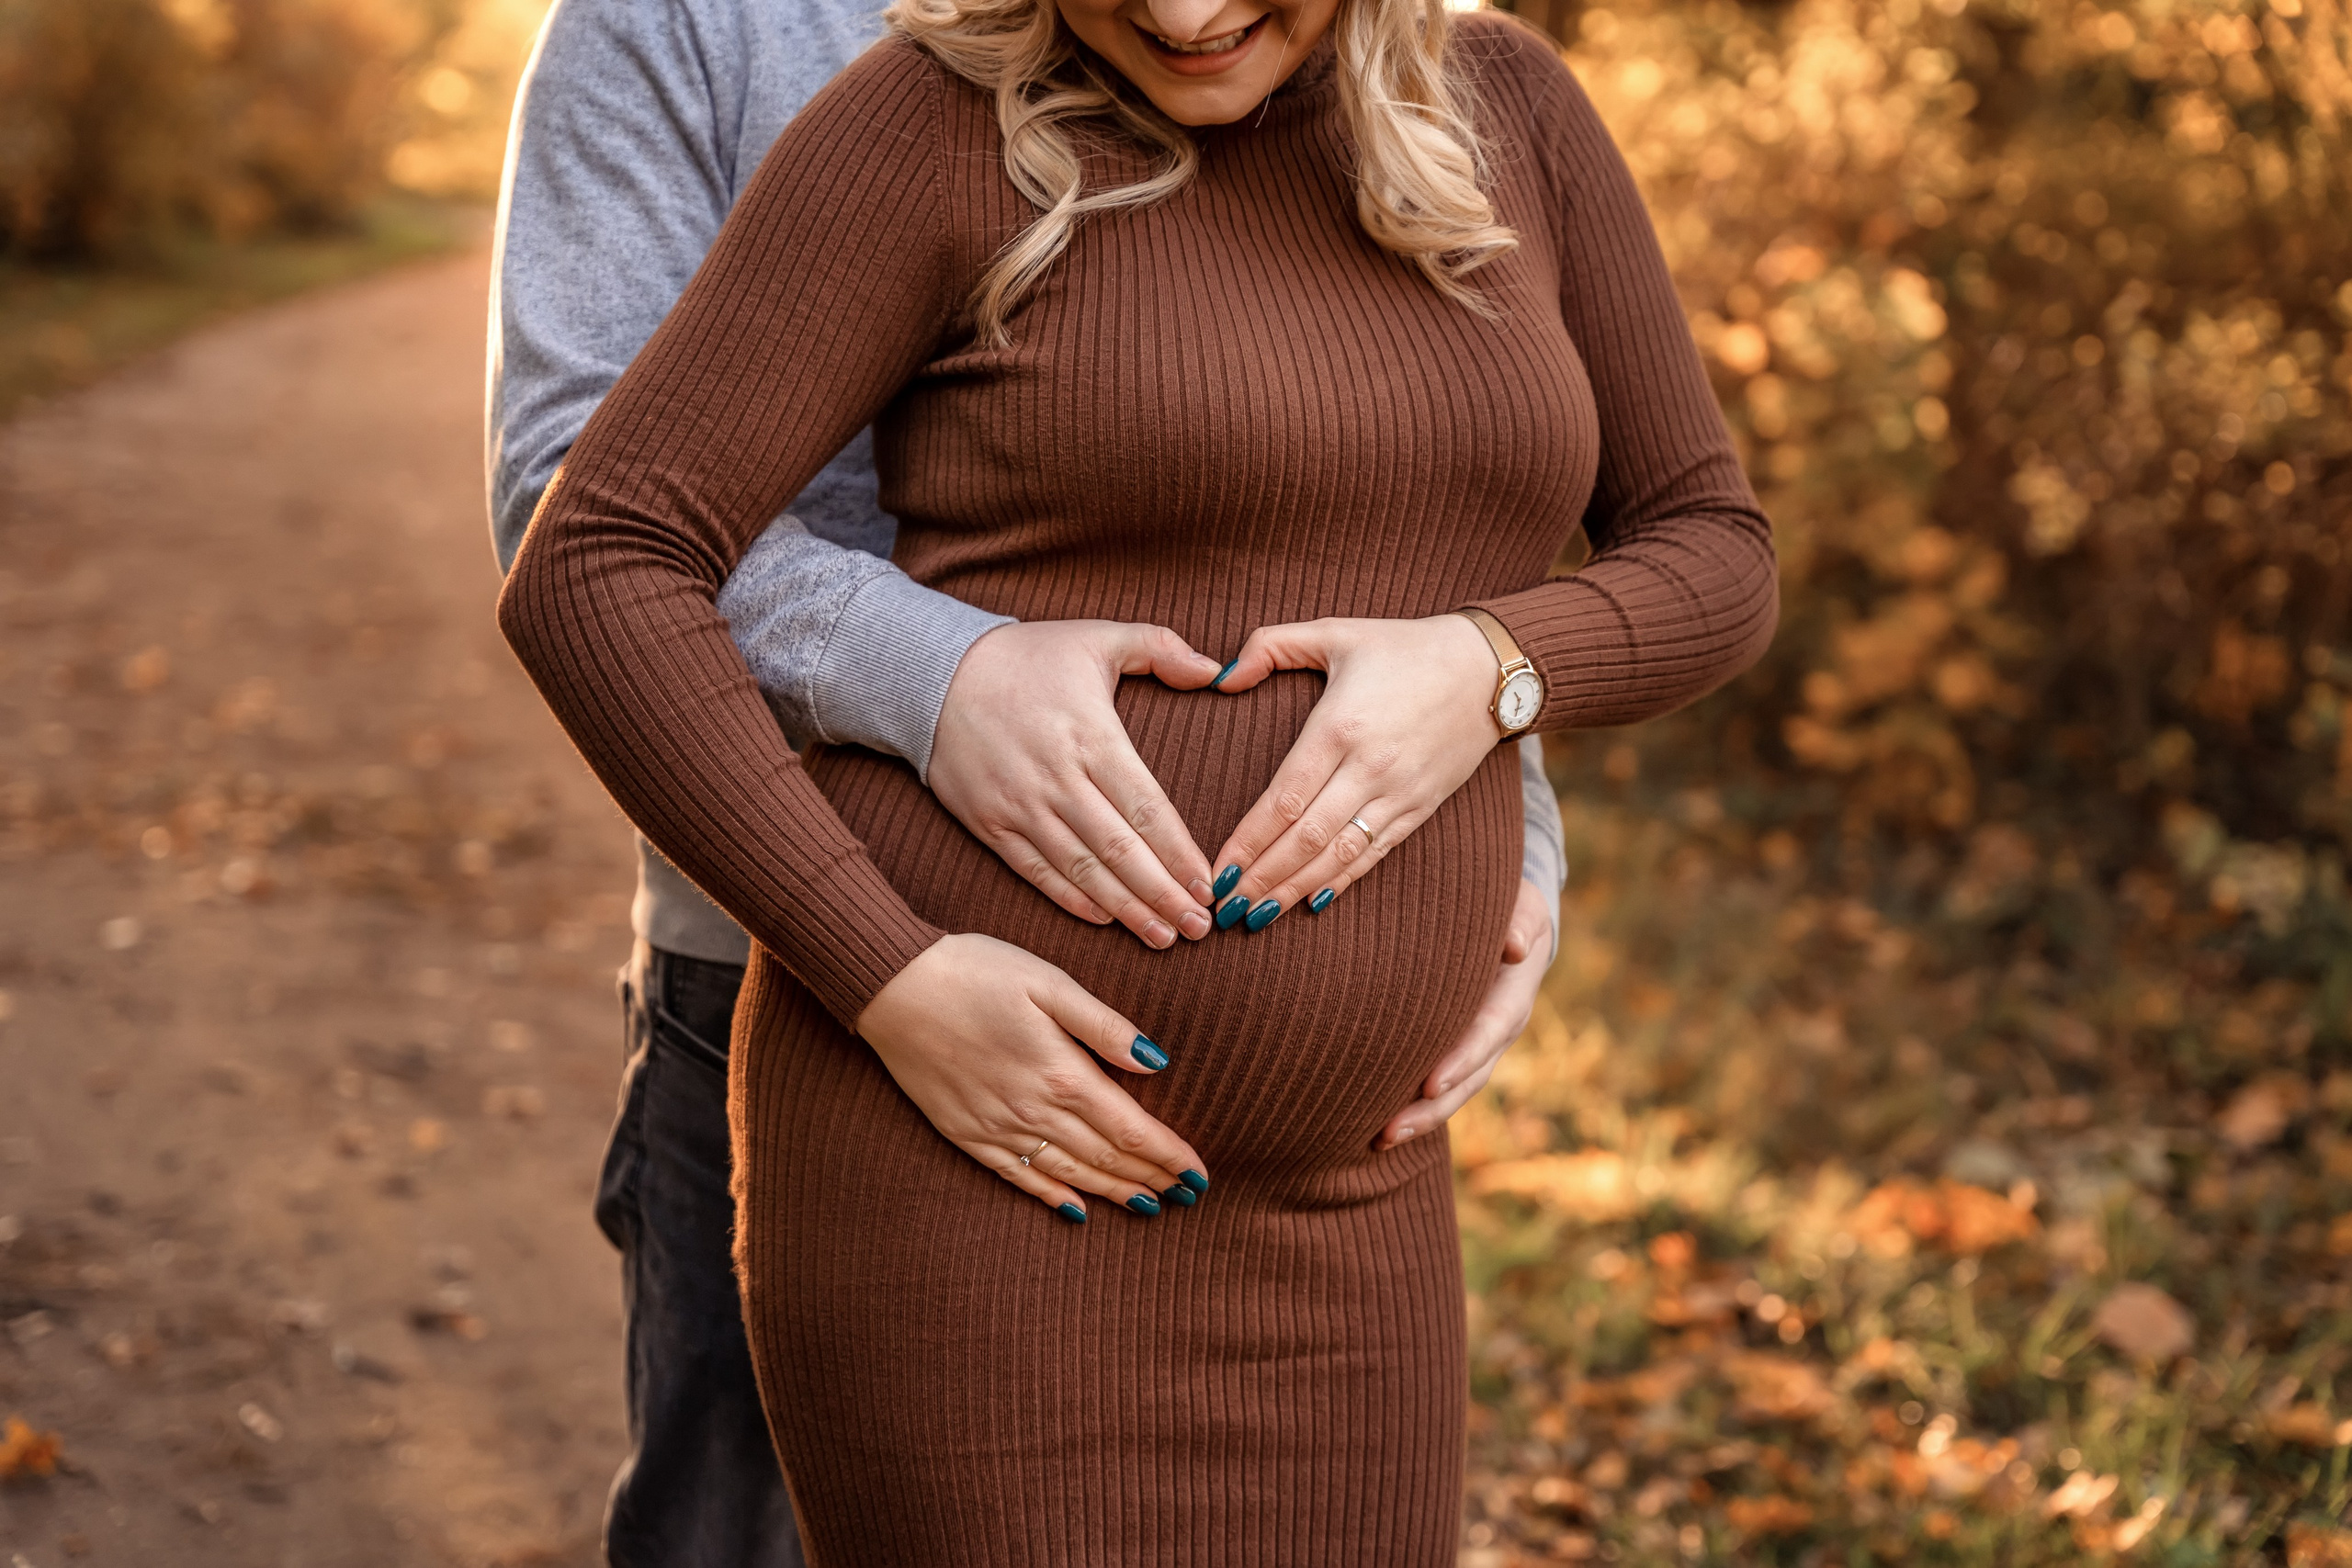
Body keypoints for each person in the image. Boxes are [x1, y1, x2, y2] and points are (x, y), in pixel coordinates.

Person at [500, 0, 1779, 1549]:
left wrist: (1495, 673)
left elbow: (1707, 550)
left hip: (1349, 1208)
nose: (1180, 12)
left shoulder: (1511, 107)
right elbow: (593, 547)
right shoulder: (917, 114)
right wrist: (887, 971)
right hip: (962, 1158)